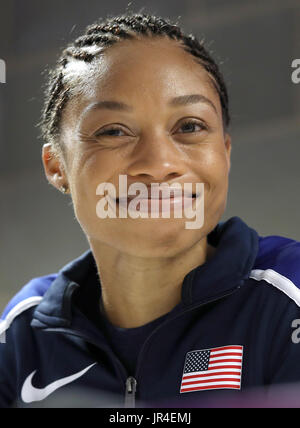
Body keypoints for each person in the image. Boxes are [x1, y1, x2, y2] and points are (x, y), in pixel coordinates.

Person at [1, 12, 300, 409]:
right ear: (57, 166)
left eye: (189, 126)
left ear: (224, 153)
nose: (159, 163)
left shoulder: (290, 294)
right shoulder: (21, 335)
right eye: (113, 131)